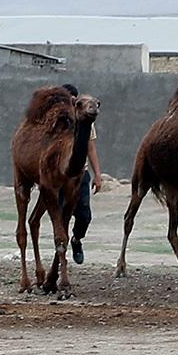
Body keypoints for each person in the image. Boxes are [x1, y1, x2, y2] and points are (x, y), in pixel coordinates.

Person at [62, 84, 103, 265]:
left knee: (84, 216)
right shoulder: (57, 123)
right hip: (59, 176)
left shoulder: (85, 122)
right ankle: (60, 254)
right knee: (60, 216)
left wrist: (98, 175)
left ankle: (76, 239)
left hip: (81, 174)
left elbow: (90, 148)